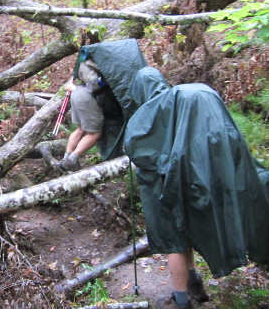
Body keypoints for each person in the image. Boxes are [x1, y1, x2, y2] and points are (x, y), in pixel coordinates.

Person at [123, 66, 269, 309]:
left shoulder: (149, 113)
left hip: (176, 187)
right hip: (208, 177)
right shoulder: (186, 97)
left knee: (175, 241)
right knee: (185, 234)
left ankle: (181, 301)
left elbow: (137, 151)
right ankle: (195, 285)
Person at [58, 60, 105, 172]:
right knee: (94, 134)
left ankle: (66, 157)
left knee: (80, 129)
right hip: (87, 97)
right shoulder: (108, 69)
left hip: (77, 92)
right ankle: (72, 159)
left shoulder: (91, 62)